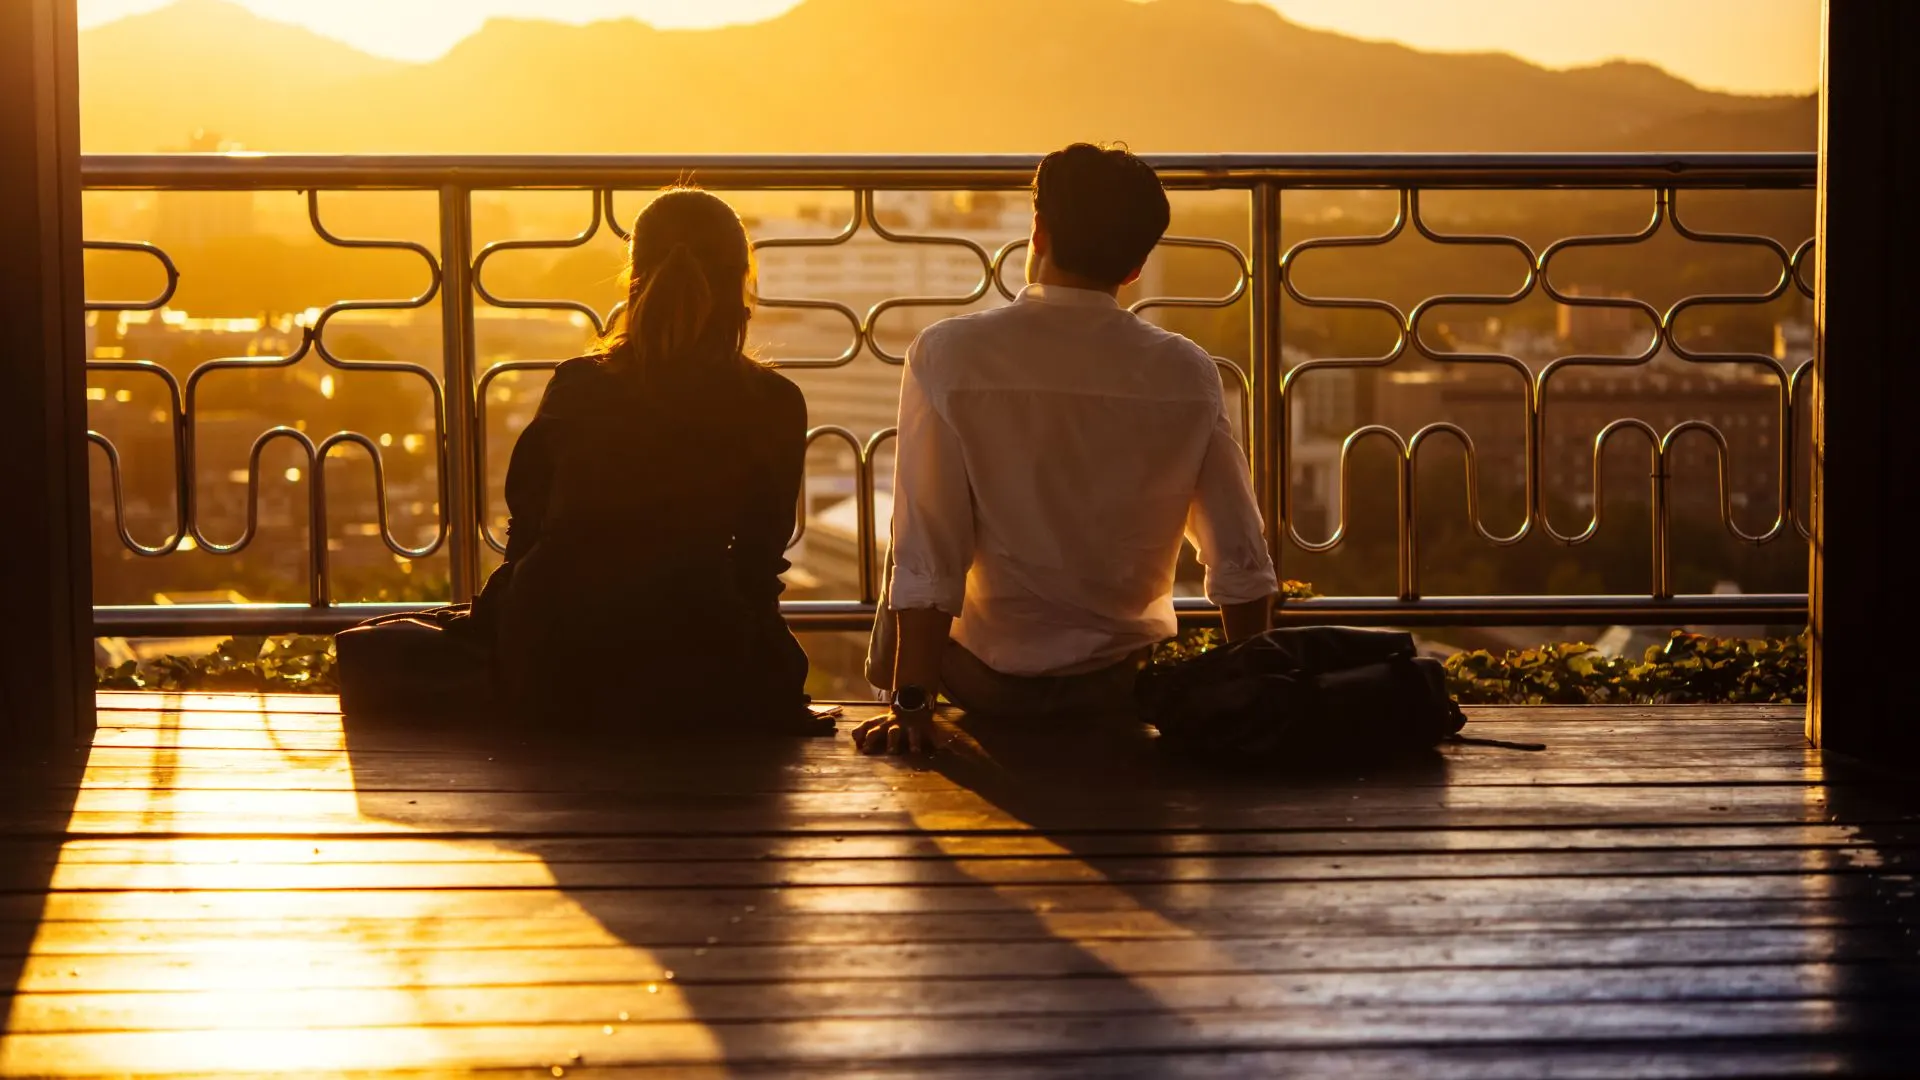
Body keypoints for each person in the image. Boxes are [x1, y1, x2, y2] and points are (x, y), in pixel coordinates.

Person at [857, 143, 1280, 754]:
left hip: (987, 683)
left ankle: (903, 698)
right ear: (1135, 267)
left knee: (915, 513)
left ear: (1038, 232)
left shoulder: (949, 353)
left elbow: (930, 549)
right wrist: (1250, 698)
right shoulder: (1187, 371)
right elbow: (1241, 561)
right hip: (1119, 682)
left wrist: (914, 705)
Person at [478, 187, 814, 729]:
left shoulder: (578, 384)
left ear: (634, 278)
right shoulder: (772, 401)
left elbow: (527, 532)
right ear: (741, 283)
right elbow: (758, 563)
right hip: (697, 668)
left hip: (553, 664)